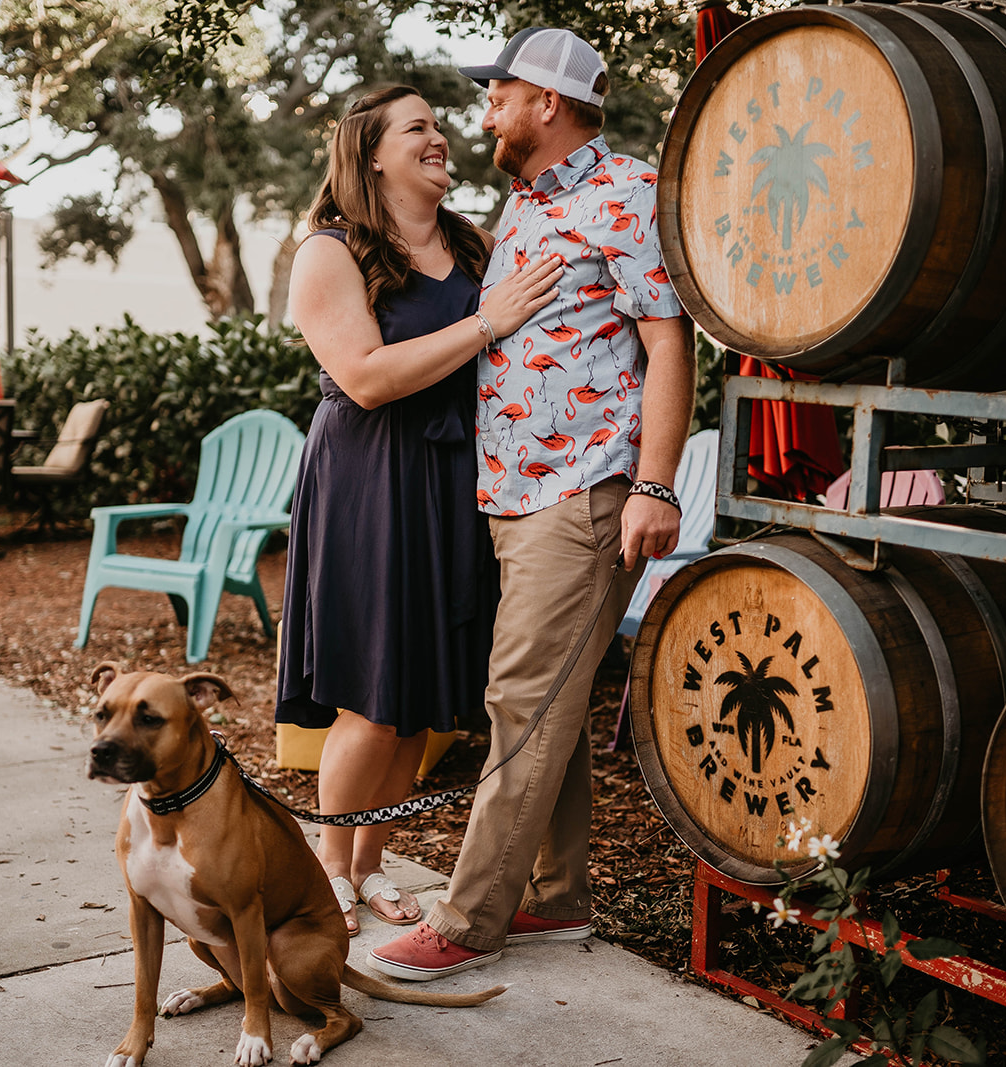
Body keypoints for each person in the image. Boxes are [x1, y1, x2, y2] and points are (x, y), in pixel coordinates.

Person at [369, 27, 696, 979]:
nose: (486, 114)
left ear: (546, 102)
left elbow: (669, 344)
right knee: (542, 699)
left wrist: (654, 484)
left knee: (520, 697)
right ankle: (555, 900)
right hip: (512, 498)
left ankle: (469, 921)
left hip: (582, 494)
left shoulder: (625, 195)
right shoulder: (523, 209)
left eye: (498, 95)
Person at [277, 85, 566, 937]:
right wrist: (487, 323)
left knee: (425, 697)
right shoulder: (329, 251)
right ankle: (329, 869)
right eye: (419, 128)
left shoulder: (476, 244)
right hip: (371, 478)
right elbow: (365, 376)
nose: (441, 137)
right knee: (373, 695)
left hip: (452, 480)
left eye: (441, 126)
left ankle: (370, 867)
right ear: (370, 152)